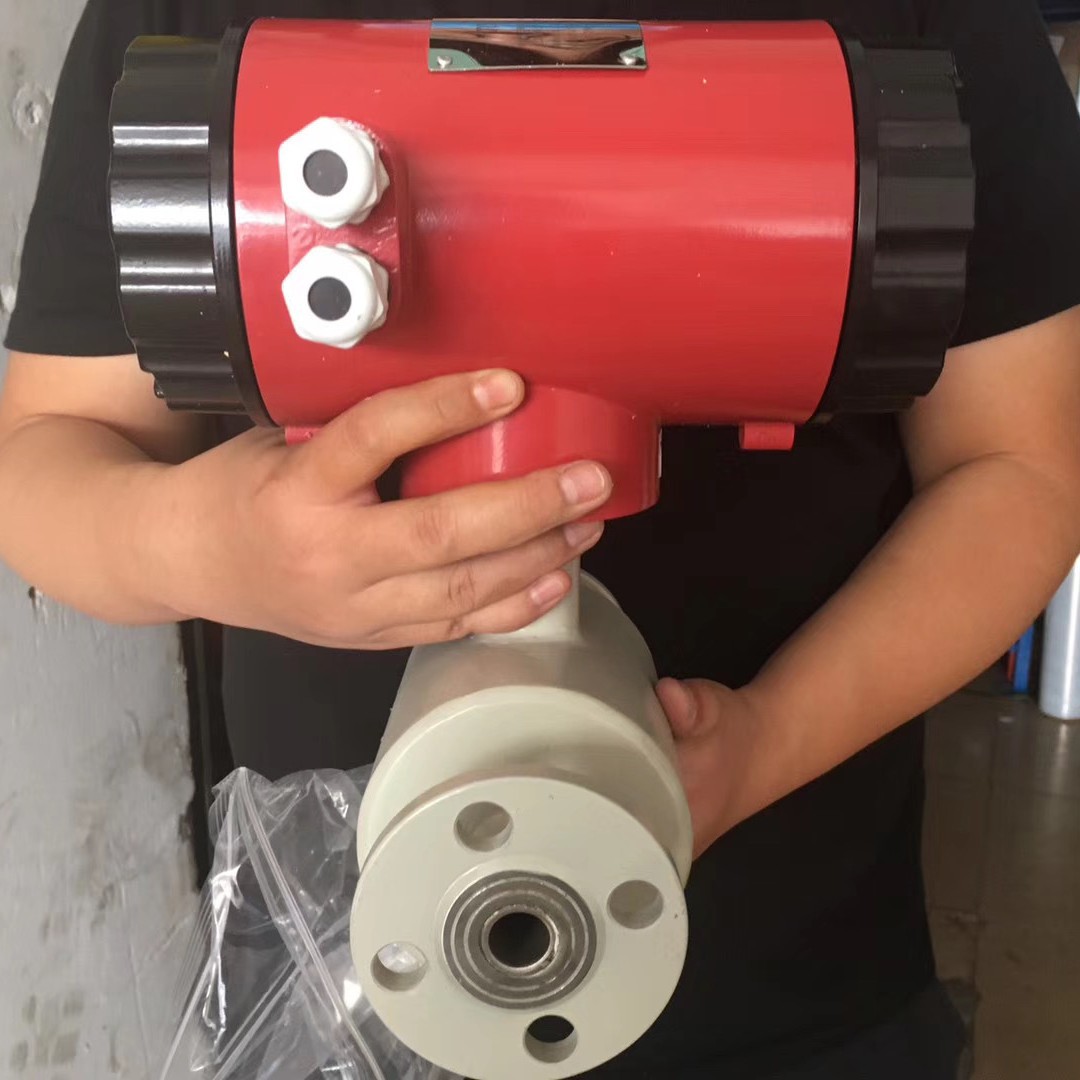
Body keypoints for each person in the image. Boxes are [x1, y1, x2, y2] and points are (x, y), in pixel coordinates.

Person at [2, 0, 1080, 1076]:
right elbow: (43, 455)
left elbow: (1025, 470)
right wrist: (205, 548)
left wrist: (766, 744)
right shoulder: (184, 14)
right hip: (334, 983)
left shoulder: (937, 20)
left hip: (790, 976)